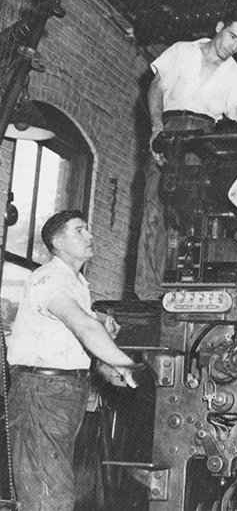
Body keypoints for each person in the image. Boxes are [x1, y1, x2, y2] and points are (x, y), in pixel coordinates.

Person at [6, 209, 139, 511]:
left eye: (88, 229)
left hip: (61, 390)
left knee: (54, 487)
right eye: (80, 230)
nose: (90, 235)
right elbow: (83, 326)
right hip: (43, 390)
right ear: (57, 241)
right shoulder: (51, 277)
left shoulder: (75, 282)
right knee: (50, 494)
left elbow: (76, 335)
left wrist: (103, 350)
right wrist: (124, 364)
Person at [135, 5, 237, 300]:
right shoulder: (181, 52)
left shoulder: (236, 75)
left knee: (193, 214)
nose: (234, 47)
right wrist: (156, 130)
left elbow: (235, 120)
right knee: (155, 209)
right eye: (231, 37)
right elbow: (155, 89)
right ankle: (148, 292)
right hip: (170, 129)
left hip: (204, 138)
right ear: (218, 26)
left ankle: (185, 289)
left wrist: (230, 156)